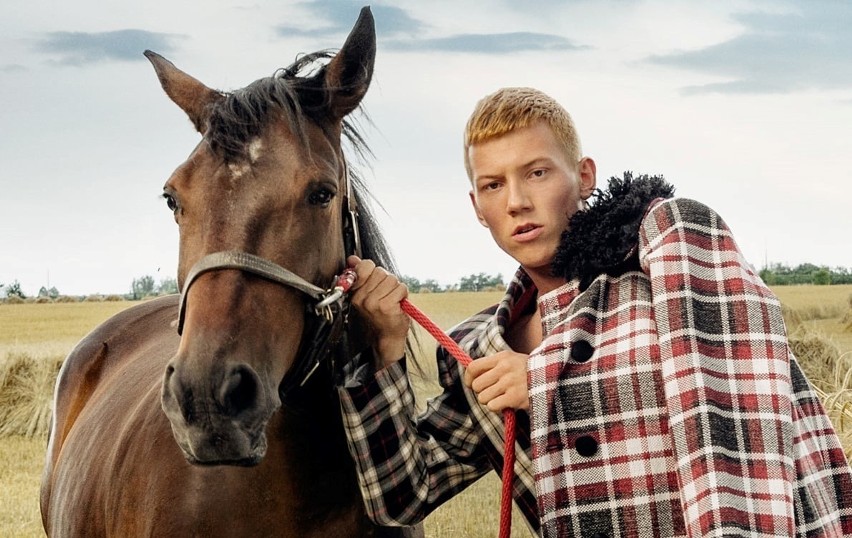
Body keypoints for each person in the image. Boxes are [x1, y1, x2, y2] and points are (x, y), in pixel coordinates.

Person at [337, 87, 852, 537]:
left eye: (536, 172)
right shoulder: (485, 351)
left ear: (584, 177)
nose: (516, 201)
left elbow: (732, 392)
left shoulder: (668, 242)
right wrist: (381, 351)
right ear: (477, 207)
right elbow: (401, 496)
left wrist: (544, 383)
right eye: (494, 185)